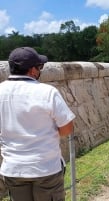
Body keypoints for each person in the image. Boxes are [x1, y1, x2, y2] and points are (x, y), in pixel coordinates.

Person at [0, 47, 76, 201]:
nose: (40, 70)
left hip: (14, 169)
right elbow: (67, 127)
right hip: (45, 167)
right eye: (39, 67)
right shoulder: (47, 92)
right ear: (32, 70)